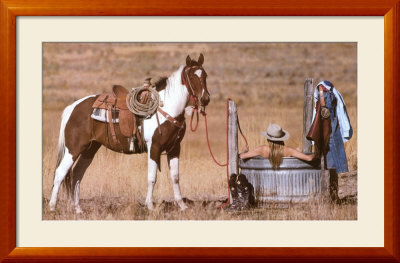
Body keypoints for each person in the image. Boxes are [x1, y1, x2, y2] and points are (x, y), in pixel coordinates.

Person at [239, 123, 315, 169]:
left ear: (268, 139)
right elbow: (309, 158)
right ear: (282, 138)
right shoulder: (288, 150)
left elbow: (242, 156)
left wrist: (245, 151)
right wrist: (319, 152)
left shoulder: (262, 149)